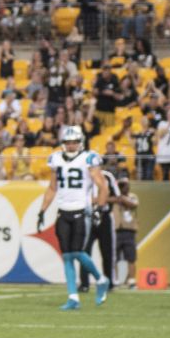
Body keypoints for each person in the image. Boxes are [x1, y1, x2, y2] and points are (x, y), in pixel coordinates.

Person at [37, 126, 111, 310]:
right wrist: (42, 210)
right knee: (67, 256)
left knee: (77, 252)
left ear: (80, 142)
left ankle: (101, 279)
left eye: (74, 142)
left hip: (81, 211)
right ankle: (73, 298)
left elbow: (103, 186)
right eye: (68, 142)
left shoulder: (88, 158)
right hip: (63, 211)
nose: (71, 145)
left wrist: (99, 209)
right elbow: (52, 188)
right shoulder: (55, 159)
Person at [79, 168, 121, 293]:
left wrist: (100, 199)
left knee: (107, 252)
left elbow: (117, 198)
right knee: (84, 251)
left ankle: (109, 283)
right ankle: (84, 283)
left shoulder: (107, 176)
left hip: (104, 217)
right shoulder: (82, 176)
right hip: (87, 217)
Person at [112, 175, 141, 288]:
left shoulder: (132, 196)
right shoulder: (114, 196)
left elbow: (133, 204)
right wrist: (116, 195)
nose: (123, 187)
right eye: (121, 185)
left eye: (125, 185)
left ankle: (132, 281)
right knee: (114, 257)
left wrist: (120, 196)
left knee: (131, 257)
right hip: (116, 230)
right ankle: (115, 279)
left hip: (129, 231)